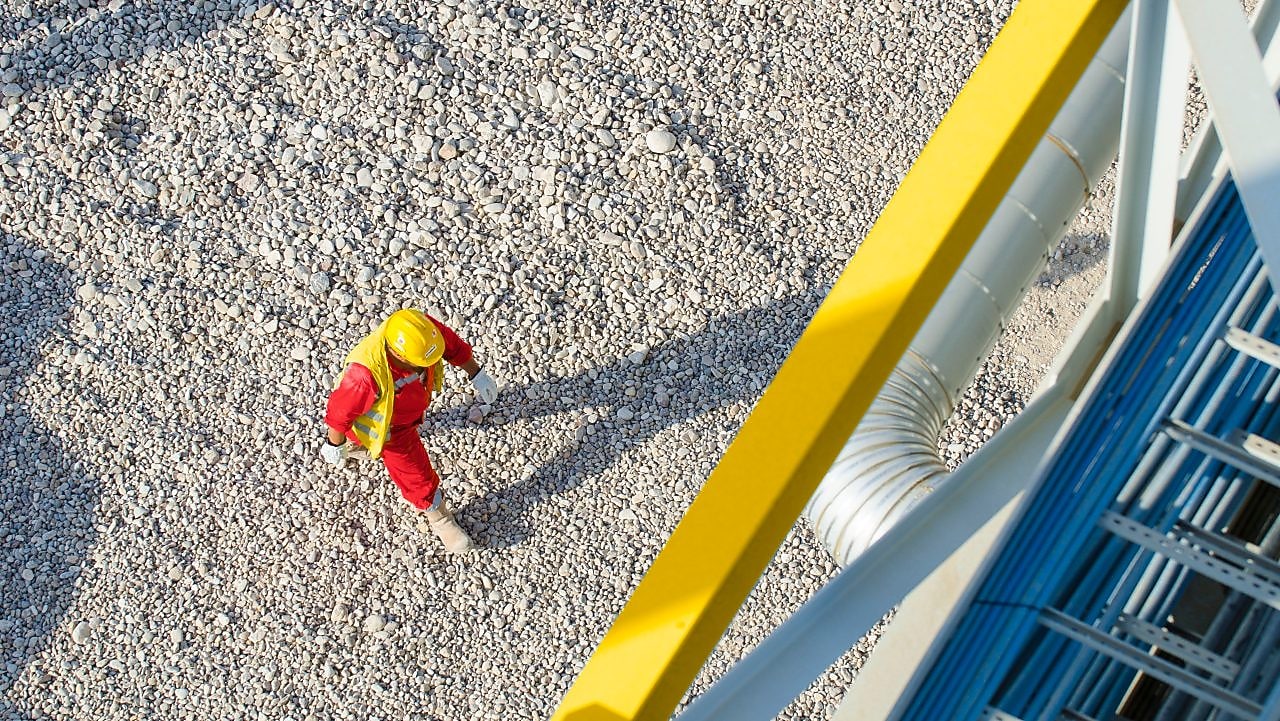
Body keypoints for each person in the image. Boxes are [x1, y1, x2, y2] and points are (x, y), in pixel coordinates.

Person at [321, 308, 499, 553]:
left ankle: (357, 446)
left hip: (410, 410)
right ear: (396, 354)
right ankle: (440, 519)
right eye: (419, 365)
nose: (428, 367)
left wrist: (476, 373)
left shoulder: (421, 333)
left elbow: (449, 344)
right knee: (417, 476)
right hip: (391, 430)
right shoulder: (364, 377)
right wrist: (334, 445)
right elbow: (340, 414)